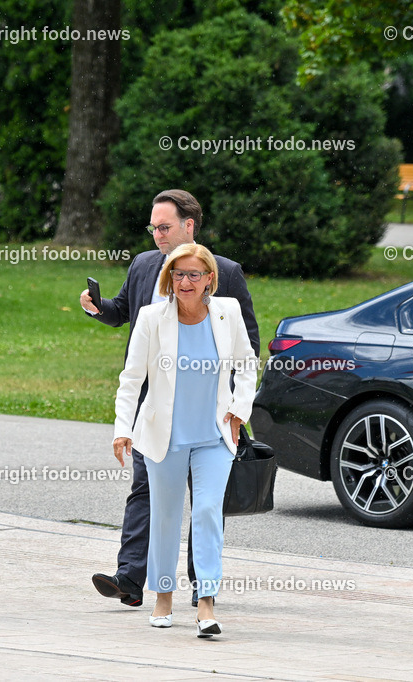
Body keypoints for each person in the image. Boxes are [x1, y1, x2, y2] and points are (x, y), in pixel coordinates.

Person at [81, 190, 259, 609]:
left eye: (164, 227)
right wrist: (97, 307)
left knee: (205, 503)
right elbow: (123, 310)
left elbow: (246, 344)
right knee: (145, 491)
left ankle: (202, 586)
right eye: (153, 228)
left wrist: (237, 407)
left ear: (188, 226)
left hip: (207, 413)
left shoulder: (225, 272)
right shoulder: (144, 264)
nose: (157, 235)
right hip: (154, 407)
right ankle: (130, 579)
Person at [113, 243, 256, 637]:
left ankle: (206, 603)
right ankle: (163, 597)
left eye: (194, 274)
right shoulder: (152, 317)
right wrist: (123, 428)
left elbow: (247, 364)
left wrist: (240, 409)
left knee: (207, 511)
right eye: (178, 274)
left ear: (209, 278)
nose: (185, 282)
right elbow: (132, 378)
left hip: (214, 436)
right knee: (165, 516)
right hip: (165, 437)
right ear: (169, 278)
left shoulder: (227, 312)